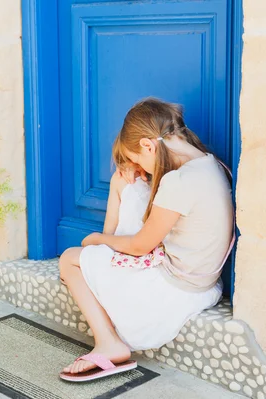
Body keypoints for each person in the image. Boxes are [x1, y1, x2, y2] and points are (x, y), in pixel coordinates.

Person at [59, 98, 234, 382]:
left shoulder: (179, 182)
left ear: (148, 146)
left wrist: (97, 239)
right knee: (120, 199)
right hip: (204, 284)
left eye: (138, 158)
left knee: (69, 260)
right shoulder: (209, 165)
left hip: (171, 294)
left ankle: (109, 343)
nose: (140, 166)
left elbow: (141, 245)